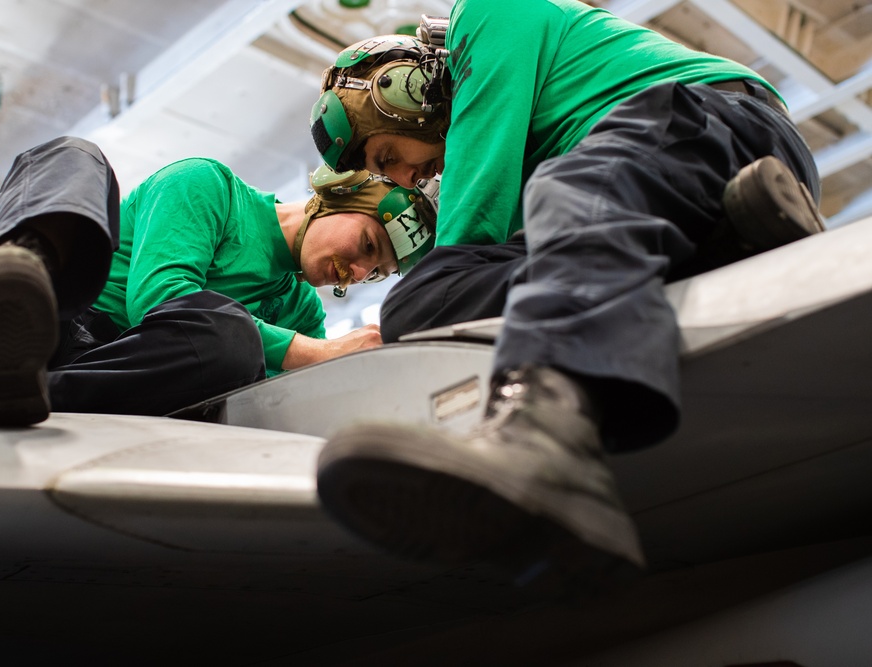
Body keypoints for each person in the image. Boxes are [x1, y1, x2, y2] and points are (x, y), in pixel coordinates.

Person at [307, 0, 826, 592]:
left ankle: (549, 441)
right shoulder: (537, 156)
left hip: (709, 119)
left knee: (551, 206)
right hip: (652, 180)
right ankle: (727, 237)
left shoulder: (491, 14)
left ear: (409, 89)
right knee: (414, 307)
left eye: (388, 157)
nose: (406, 180)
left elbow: (469, 235)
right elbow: (453, 282)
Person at [0, 136, 435, 426]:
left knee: (231, 345)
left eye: (374, 274)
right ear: (335, 195)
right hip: (49, 322)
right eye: (366, 246)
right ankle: (17, 280)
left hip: (99, 380)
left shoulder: (302, 316)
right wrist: (316, 354)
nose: (358, 273)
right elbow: (159, 297)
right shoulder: (209, 187)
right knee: (75, 155)